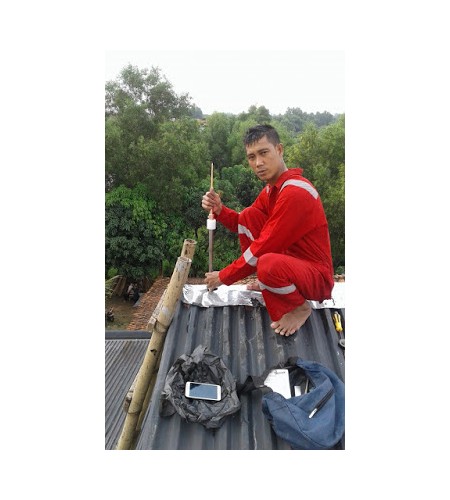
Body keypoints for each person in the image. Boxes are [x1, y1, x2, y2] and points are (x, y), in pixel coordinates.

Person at [202, 124, 334, 336]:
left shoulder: (295, 192)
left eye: (264, 153)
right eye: (251, 157)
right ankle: (270, 284)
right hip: (293, 265)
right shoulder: (272, 190)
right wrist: (219, 209)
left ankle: (298, 307)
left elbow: (264, 247)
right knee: (249, 216)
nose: (258, 163)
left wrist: (223, 276)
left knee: (267, 264)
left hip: (316, 278)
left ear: (279, 150)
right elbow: (241, 223)